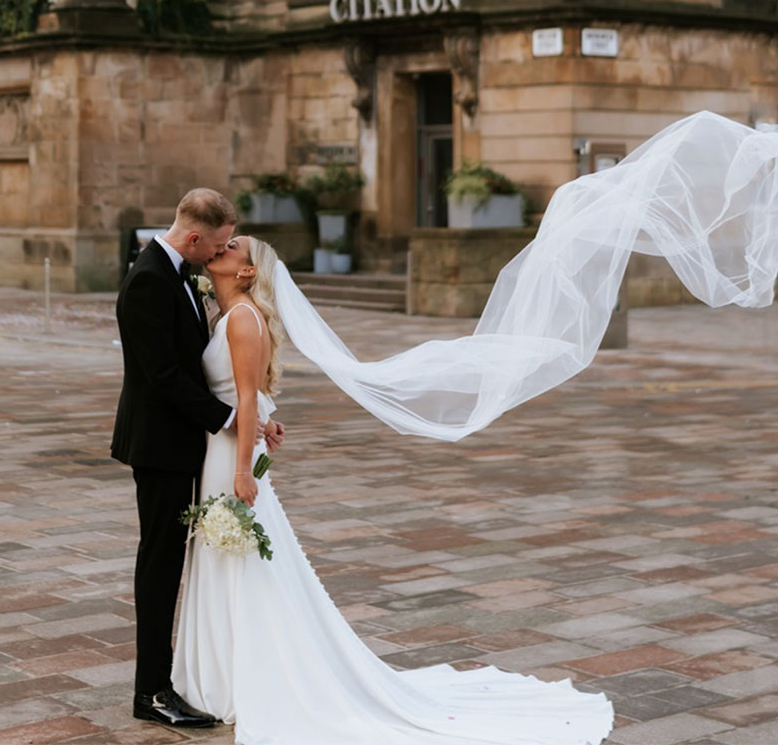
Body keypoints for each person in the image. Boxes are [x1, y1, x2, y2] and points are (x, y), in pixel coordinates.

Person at [171, 235, 615, 745]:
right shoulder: (229, 313)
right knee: (233, 559)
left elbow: (247, 398)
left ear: (247, 272)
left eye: (232, 247)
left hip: (230, 460)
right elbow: (246, 396)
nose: (222, 248)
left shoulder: (244, 319)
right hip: (222, 450)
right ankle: (225, 673)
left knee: (244, 561)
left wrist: (244, 471)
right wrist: (266, 425)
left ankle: (241, 679)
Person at [111, 189, 284, 728]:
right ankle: (151, 693)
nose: (215, 255)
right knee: (159, 564)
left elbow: (217, 373)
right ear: (192, 238)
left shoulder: (183, 277)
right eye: (212, 246)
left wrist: (253, 417)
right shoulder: (148, 282)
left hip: (191, 444)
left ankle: (182, 678)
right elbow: (162, 380)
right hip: (161, 448)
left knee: (178, 562)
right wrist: (234, 422)